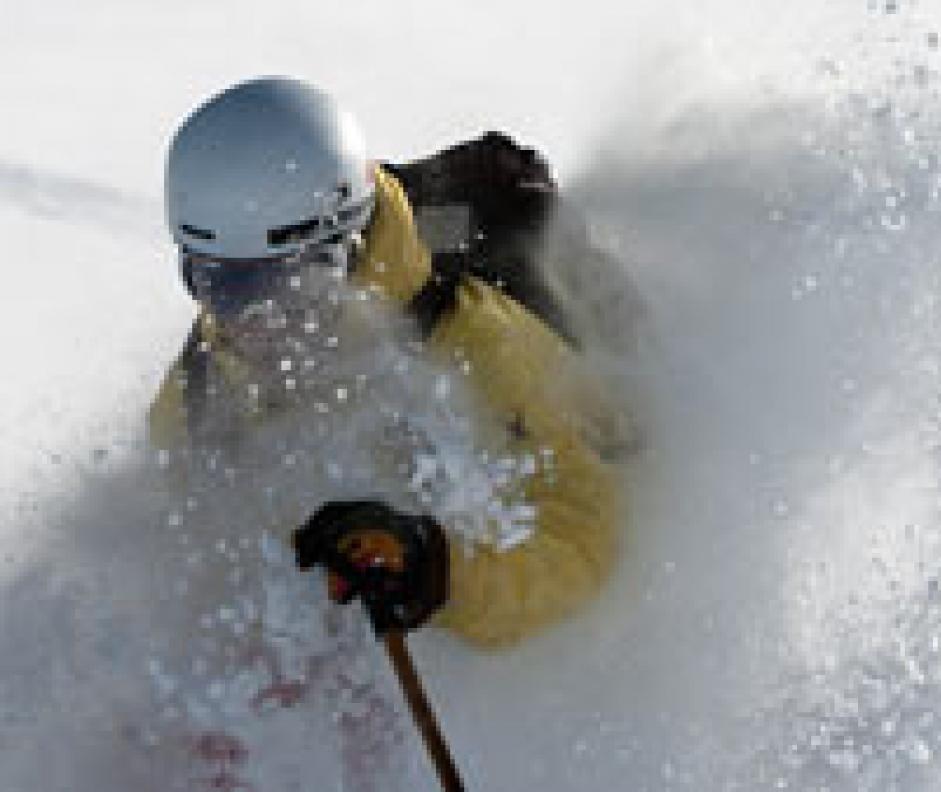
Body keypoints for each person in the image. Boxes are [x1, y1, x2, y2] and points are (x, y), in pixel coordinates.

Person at [148, 76, 641, 648]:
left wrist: (437, 572)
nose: (255, 320)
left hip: (523, 618)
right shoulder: (208, 380)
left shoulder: (480, 345)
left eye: (286, 285)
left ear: (347, 252)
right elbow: (177, 540)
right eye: (219, 281)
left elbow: (584, 545)